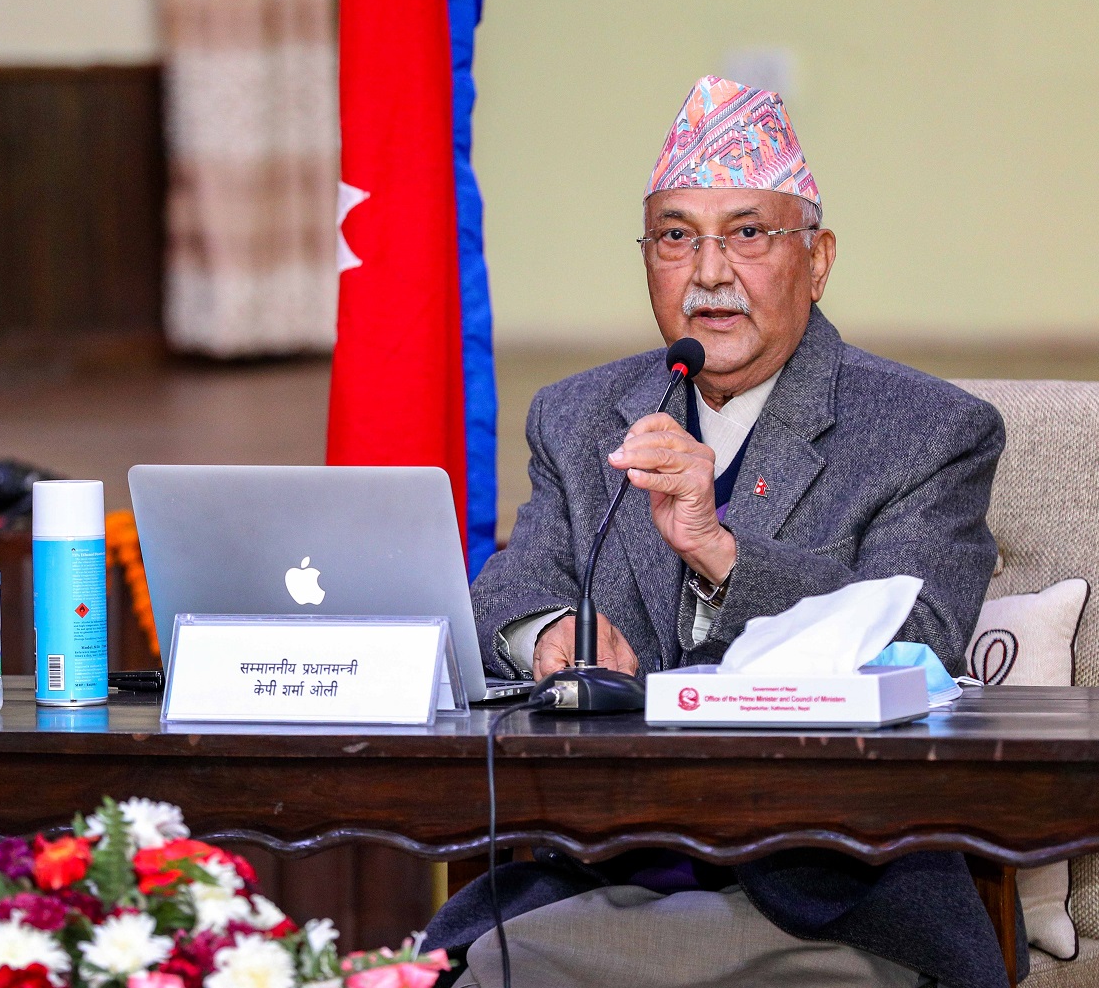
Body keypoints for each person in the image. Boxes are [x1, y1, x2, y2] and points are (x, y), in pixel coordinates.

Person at [424, 77, 1019, 988]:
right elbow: (508, 586)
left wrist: (723, 553)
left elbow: (921, 638)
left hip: (828, 888)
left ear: (817, 260)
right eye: (676, 237)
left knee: (507, 968)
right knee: (478, 960)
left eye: (747, 234)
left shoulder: (928, 429)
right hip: (601, 863)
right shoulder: (581, 415)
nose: (708, 273)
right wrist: (547, 633)